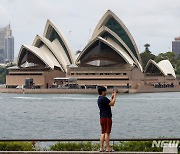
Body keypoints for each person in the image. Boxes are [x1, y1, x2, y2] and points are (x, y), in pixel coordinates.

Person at [97, 86, 117, 152]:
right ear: (103, 92)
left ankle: (101, 148)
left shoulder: (99, 98)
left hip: (102, 117)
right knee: (107, 133)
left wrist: (112, 97)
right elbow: (112, 103)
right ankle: (108, 148)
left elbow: (109, 102)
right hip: (107, 117)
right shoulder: (104, 98)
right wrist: (115, 96)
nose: (106, 92)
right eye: (105, 91)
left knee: (103, 133)